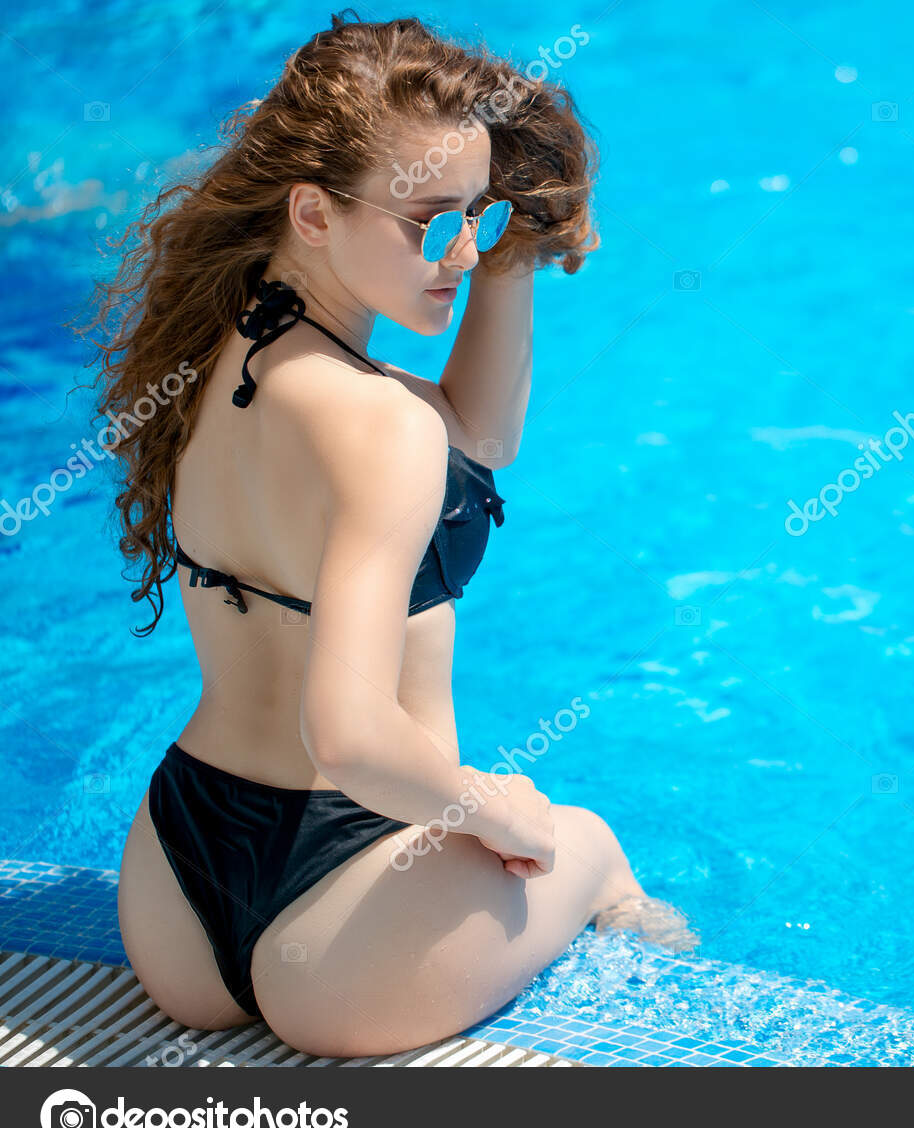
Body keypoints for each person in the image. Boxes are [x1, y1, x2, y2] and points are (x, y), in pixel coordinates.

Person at [87, 14, 694, 1059]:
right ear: (313, 214)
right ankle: (601, 868)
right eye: (429, 221)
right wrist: (499, 815)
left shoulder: (222, 357)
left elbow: (482, 437)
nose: (459, 247)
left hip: (176, 893)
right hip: (358, 887)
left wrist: (510, 263)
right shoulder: (382, 427)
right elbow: (354, 739)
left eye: (475, 213)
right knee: (572, 838)